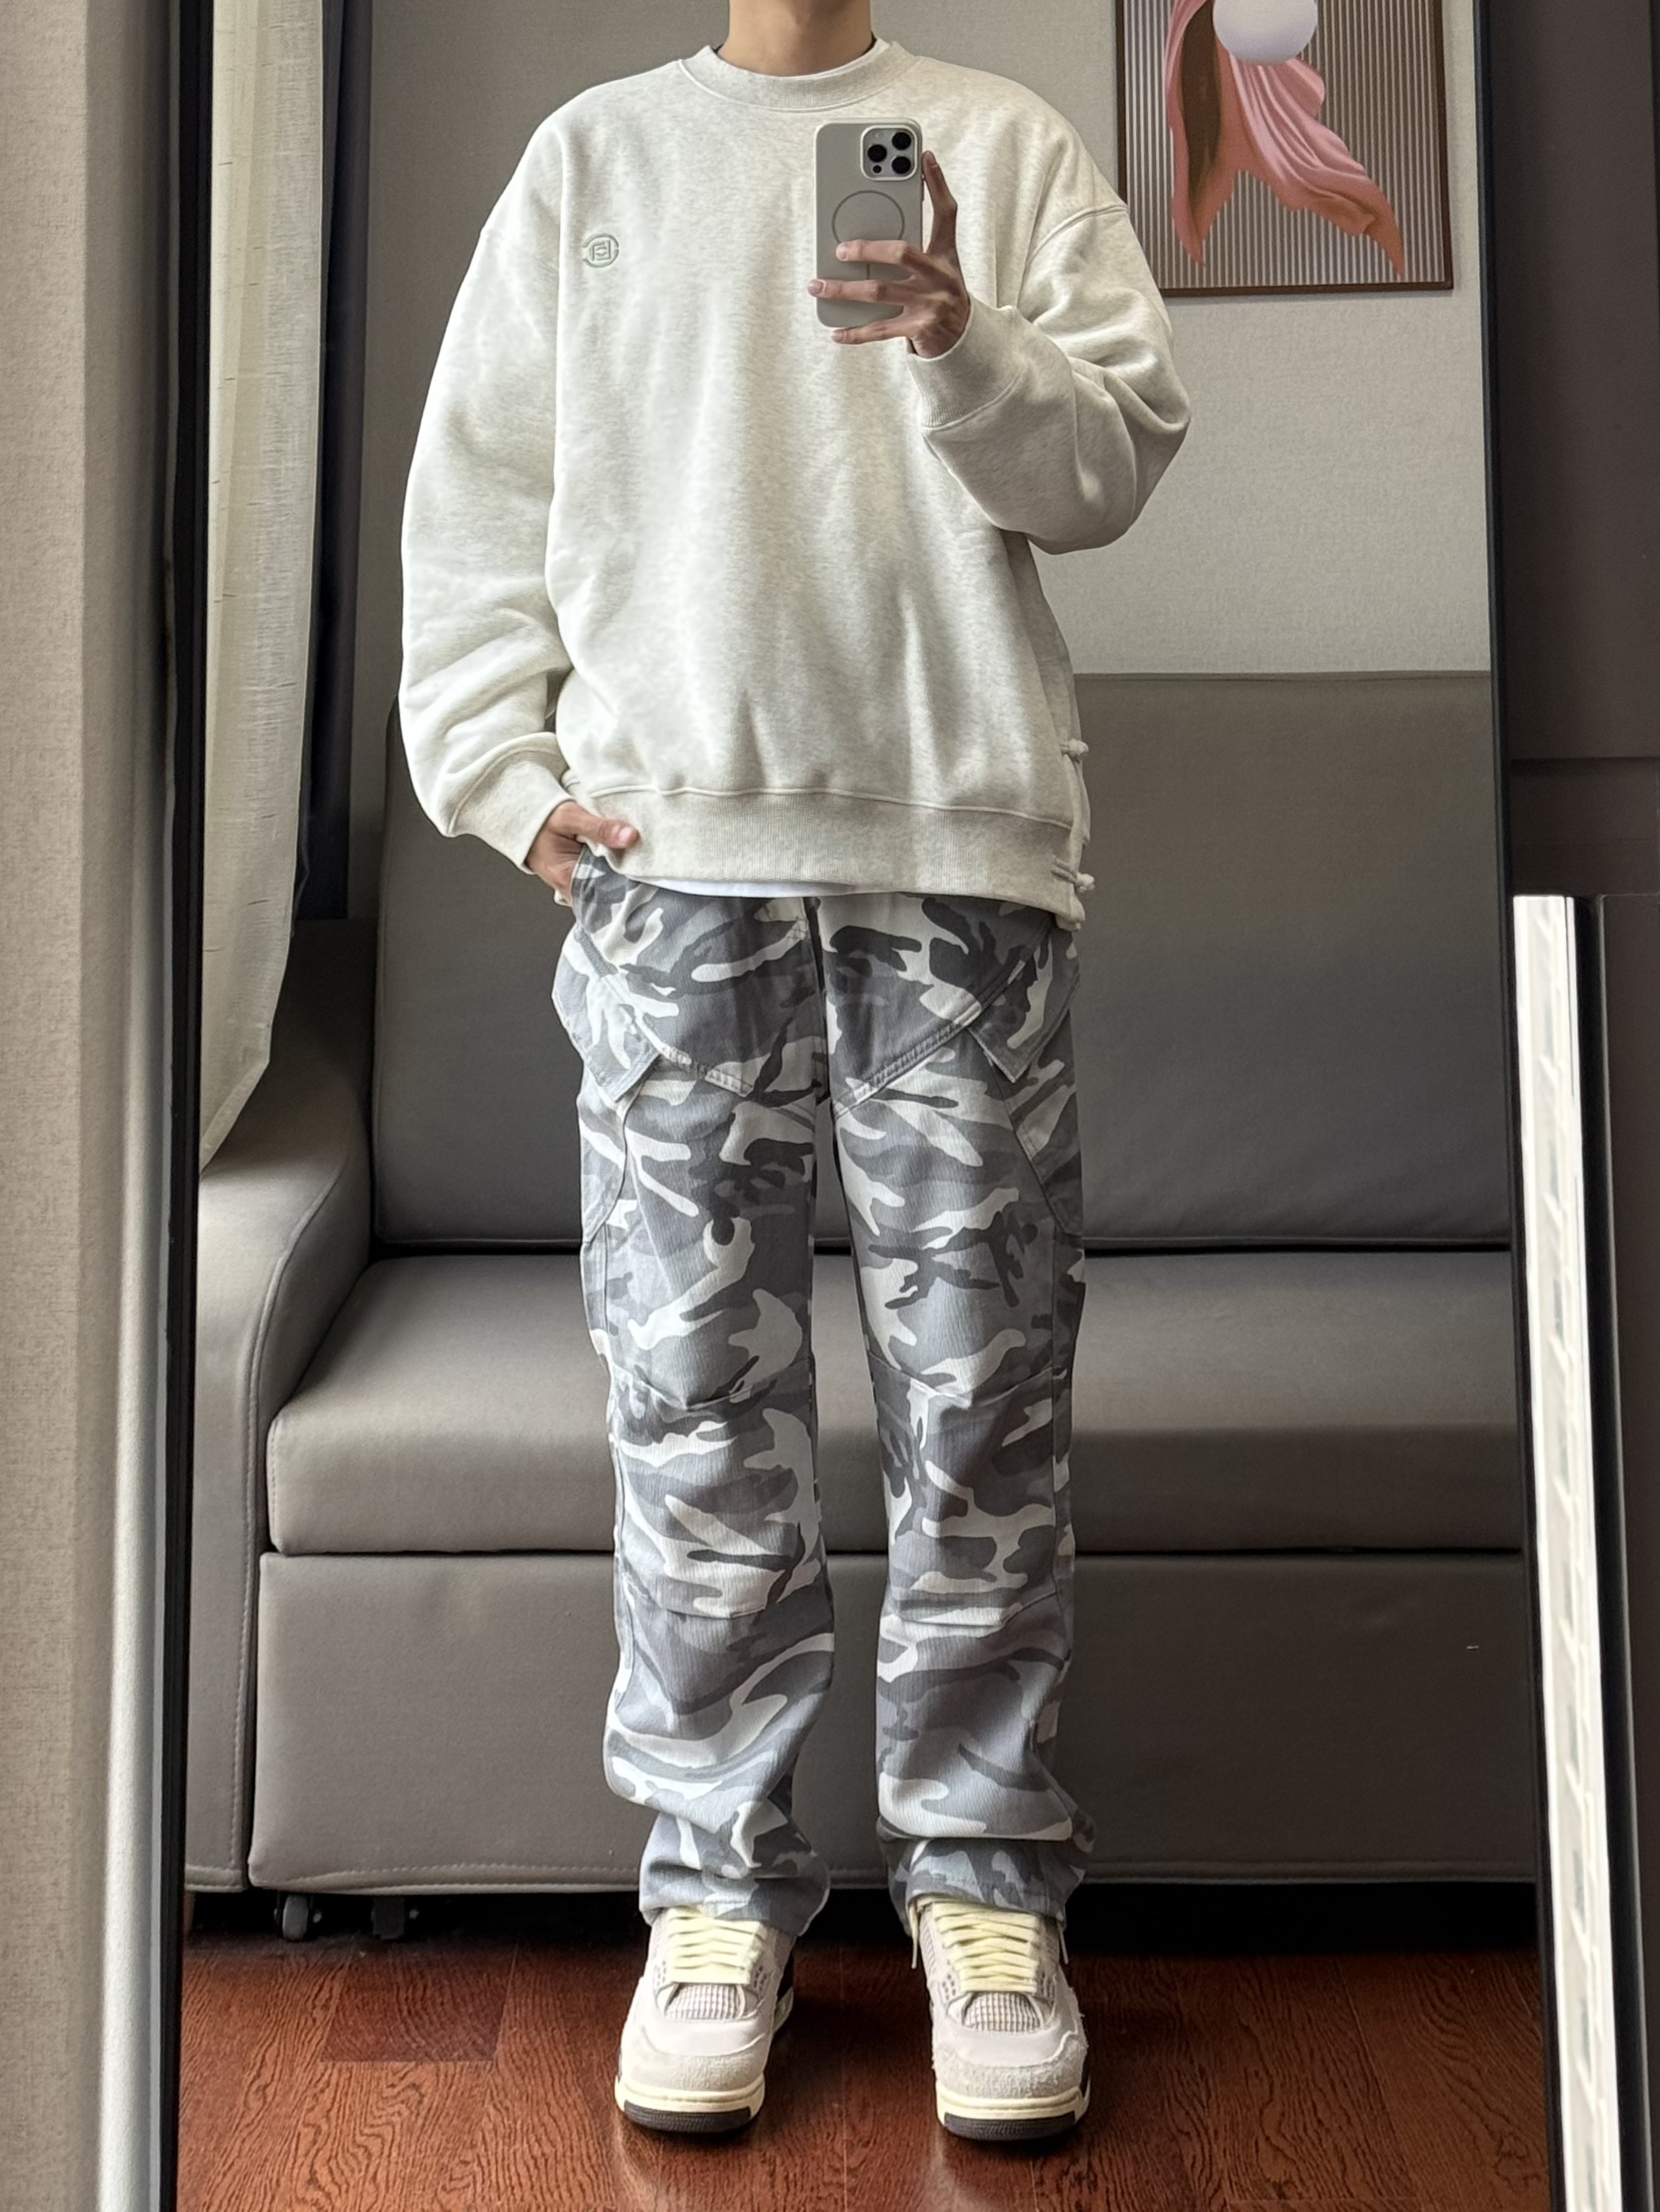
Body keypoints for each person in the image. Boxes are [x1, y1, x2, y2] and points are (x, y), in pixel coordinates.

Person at [399, 0, 1190, 2145]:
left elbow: (1110, 466)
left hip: (960, 865)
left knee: (983, 1408)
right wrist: (503, 778)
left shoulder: (998, 140)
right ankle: (713, 1897)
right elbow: (477, 493)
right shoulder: (592, 160)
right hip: (673, 873)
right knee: (690, 1410)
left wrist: (956, 334)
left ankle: (984, 1893)